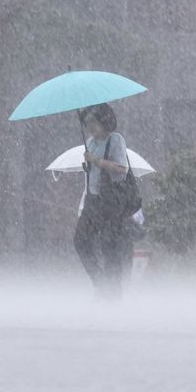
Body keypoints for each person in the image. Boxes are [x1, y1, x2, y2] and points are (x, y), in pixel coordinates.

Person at [74, 103, 130, 299]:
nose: (89, 127)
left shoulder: (115, 140)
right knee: (81, 241)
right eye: (87, 123)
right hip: (92, 201)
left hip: (110, 202)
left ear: (104, 121)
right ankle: (101, 283)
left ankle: (113, 292)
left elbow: (122, 169)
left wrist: (97, 161)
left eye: (93, 122)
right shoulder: (90, 142)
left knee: (109, 246)